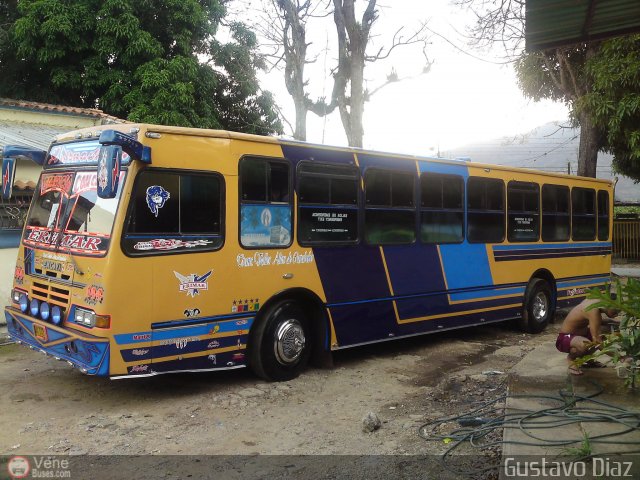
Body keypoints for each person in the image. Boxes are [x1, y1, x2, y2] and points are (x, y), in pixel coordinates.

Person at [555, 297, 619, 375]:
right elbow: (597, 341)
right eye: (616, 311)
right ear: (608, 304)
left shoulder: (594, 301)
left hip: (581, 334)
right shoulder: (593, 310)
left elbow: (592, 321)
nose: (617, 314)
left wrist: (611, 321)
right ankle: (571, 359)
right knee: (586, 344)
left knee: (606, 329)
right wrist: (619, 357)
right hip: (565, 337)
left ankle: (587, 358)